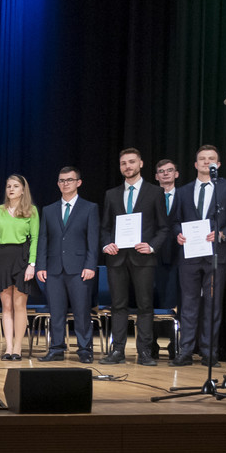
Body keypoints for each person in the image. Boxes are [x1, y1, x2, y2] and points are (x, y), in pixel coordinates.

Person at [172, 146, 226, 367]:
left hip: (216, 255)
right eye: (202, 159)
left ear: (218, 165)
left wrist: (222, 234)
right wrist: (178, 234)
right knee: (188, 305)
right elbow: (174, 221)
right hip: (189, 256)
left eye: (211, 159)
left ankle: (209, 351)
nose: (206, 162)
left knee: (213, 305)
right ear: (195, 164)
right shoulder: (183, 191)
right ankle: (185, 351)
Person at [99, 148, 169, 367]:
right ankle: (117, 350)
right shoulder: (111, 194)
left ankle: (145, 352)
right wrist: (106, 244)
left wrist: (152, 246)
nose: (127, 166)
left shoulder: (155, 192)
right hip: (117, 257)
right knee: (117, 305)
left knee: (145, 306)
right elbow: (105, 227)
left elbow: (163, 227)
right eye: (123, 163)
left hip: (143, 257)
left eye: (131, 162)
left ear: (141, 164)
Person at [35, 167, 100, 363]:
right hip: (54, 268)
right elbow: (43, 239)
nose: (65, 183)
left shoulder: (89, 208)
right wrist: (41, 265)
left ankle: (84, 349)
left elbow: (93, 240)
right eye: (62, 180)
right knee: (56, 312)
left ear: (78, 182)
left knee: (81, 311)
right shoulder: (49, 210)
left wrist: (90, 265)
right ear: (58, 183)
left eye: (70, 180)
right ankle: (56, 348)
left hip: (79, 269)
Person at [0, 175, 38, 361]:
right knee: (6, 305)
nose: (11, 189)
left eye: (15, 186)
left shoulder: (31, 211)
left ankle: (18, 347)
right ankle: (8, 347)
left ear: (23, 190)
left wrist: (32, 264)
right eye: (8, 186)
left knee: (19, 305)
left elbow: (35, 239)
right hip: (2, 258)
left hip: (22, 258)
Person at [151, 159, 185, 346]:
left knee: (177, 301)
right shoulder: (149, 197)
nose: (165, 174)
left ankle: (175, 345)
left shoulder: (185, 196)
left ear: (176, 174)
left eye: (169, 170)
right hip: (152, 256)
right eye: (161, 171)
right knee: (153, 300)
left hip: (179, 255)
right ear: (156, 176)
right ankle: (152, 345)